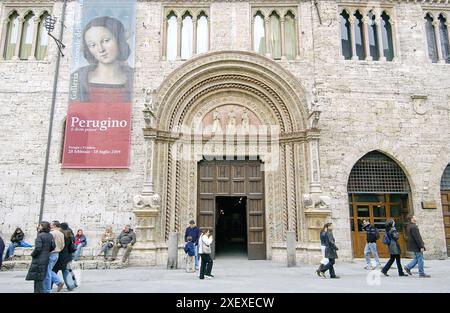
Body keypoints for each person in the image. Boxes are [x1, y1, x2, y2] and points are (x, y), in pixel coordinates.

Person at [71, 16, 133, 103]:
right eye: (92, 45)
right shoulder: (78, 79)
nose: (101, 49)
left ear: (119, 41)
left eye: (106, 40)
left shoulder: (133, 78)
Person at [25, 222, 55, 293]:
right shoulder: (50, 235)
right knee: (41, 276)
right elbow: (53, 246)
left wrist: (33, 254)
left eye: (40, 225)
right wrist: (47, 251)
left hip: (39, 258)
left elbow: (38, 248)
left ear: (43, 227)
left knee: (37, 278)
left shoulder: (40, 236)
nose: (39, 227)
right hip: (46, 256)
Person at [52, 223, 77, 291]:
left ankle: (49, 285)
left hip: (59, 254)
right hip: (67, 256)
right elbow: (70, 247)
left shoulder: (59, 234)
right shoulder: (69, 235)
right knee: (66, 271)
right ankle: (71, 286)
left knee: (53, 270)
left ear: (60, 227)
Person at [44, 221, 65, 293]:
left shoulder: (51, 233)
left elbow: (49, 244)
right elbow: (62, 246)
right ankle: (58, 282)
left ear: (55, 226)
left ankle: (48, 289)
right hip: (57, 254)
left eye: (51, 224)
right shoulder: (61, 234)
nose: (50, 225)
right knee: (48, 270)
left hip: (51, 253)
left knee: (47, 271)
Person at [60, 222, 78, 288]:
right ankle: (74, 283)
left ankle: (71, 285)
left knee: (65, 270)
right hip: (69, 254)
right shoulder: (70, 233)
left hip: (63, 255)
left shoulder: (62, 234)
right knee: (69, 270)